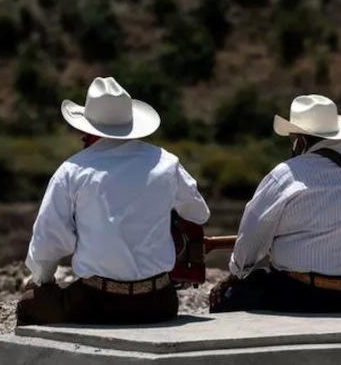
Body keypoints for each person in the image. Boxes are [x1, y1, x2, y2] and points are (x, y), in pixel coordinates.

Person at [16, 77, 210, 326]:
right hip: (159, 302)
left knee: (30, 305)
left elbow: (49, 239)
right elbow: (199, 213)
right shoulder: (167, 163)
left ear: (88, 129)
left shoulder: (72, 170)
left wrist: (42, 280)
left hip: (97, 301)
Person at [210, 94, 341, 313]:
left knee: (227, 299)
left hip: (306, 294)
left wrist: (235, 275)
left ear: (299, 141)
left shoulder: (286, 174)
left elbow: (251, 239)